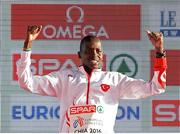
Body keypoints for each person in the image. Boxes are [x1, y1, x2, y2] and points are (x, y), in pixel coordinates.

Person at [17, 25, 167, 133]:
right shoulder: (64, 79)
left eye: (98, 51)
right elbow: (26, 82)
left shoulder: (114, 80)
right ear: (79, 55)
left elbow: (156, 87)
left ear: (102, 54)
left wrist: (160, 52)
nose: (94, 54)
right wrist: (27, 46)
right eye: (88, 51)